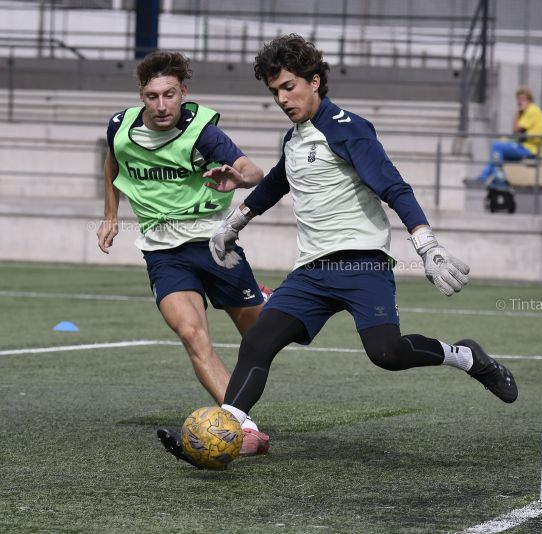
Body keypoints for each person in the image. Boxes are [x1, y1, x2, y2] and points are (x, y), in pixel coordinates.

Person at [199, 34, 518, 454]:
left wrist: (427, 245)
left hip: (362, 266)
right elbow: (278, 180)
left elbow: (393, 186)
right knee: (258, 341)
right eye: (274, 90)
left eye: (288, 87)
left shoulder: (348, 129)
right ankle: (224, 434)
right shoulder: (294, 137)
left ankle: (467, 357)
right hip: (311, 272)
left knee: (387, 353)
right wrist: (234, 222)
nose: (281, 98)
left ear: (314, 81)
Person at [95, 50, 272, 463]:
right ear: (141, 95)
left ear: (183, 93)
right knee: (193, 336)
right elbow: (113, 160)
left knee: (265, 338)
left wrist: (237, 177)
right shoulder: (121, 127)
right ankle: (242, 427)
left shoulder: (202, 132)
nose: (161, 106)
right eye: (152, 96)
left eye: (169, 95)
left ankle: (271, 301)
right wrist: (110, 215)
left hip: (214, 245)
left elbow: (255, 171)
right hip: (163, 252)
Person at [477, 87, 542, 189]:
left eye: (523, 100)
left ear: (530, 100)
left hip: (529, 149)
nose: (520, 103)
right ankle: (482, 178)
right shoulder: (529, 111)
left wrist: (518, 112)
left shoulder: (532, 111)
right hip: (525, 146)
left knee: (497, 147)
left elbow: (516, 129)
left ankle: (499, 179)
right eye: (519, 100)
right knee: (496, 154)